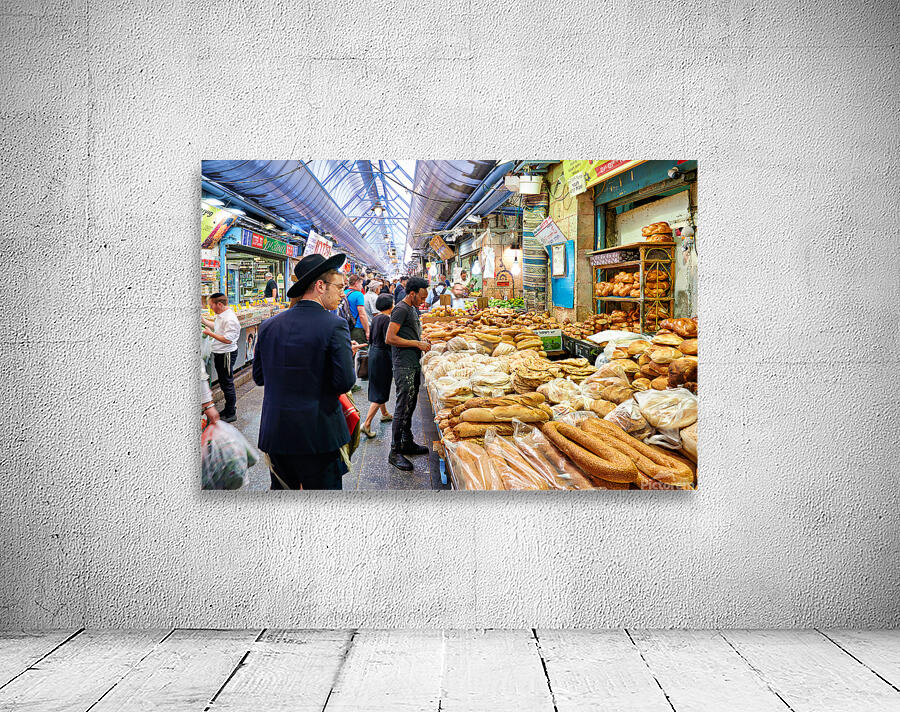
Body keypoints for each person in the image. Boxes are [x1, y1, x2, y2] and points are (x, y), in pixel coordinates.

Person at [253, 253, 357, 490]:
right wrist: (345, 356)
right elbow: (344, 383)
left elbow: (259, 377)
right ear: (320, 286)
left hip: (276, 432)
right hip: (318, 435)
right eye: (340, 287)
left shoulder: (268, 325)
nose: (343, 294)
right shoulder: (334, 325)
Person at [385, 276, 431, 471]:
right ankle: (394, 452)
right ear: (412, 293)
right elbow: (390, 338)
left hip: (413, 363)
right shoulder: (401, 309)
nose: (423, 301)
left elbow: (408, 333)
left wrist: (420, 339)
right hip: (403, 364)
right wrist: (416, 343)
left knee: (410, 405)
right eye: (421, 297)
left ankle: (407, 441)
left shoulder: (412, 308)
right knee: (402, 406)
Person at [359, 294, 395, 438]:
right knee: (380, 390)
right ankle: (366, 424)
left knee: (379, 385)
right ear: (390, 306)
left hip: (373, 353)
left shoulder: (376, 318)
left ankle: (384, 413)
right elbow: (389, 339)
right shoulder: (387, 319)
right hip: (382, 356)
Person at [202, 293, 241, 423]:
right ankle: (228, 408)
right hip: (220, 353)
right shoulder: (221, 316)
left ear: (219, 304)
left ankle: (231, 413)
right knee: (224, 383)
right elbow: (218, 328)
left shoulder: (230, 319)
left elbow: (228, 340)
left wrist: (210, 334)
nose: (210, 308)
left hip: (226, 354)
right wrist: (203, 321)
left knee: (227, 383)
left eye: (211, 305)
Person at [343, 274, 369, 344]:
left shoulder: (343, 293)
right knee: (361, 352)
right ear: (356, 284)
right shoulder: (358, 294)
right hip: (357, 328)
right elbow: (362, 314)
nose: (362, 287)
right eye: (361, 284)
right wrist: (367, 330)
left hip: (345, 326)